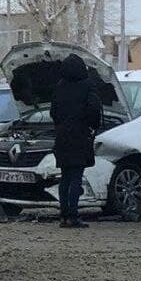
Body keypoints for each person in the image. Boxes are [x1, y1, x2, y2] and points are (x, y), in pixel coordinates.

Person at [49, 54, 104, 229]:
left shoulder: (59, 87)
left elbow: (53, 112)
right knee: (76, 177)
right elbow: (94, 109)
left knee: (65, 177)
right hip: (80, 135)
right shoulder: (88, 86)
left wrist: (61, 125)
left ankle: (64, 215)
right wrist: (92, 126)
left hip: (62, 136)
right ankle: (73, 215)